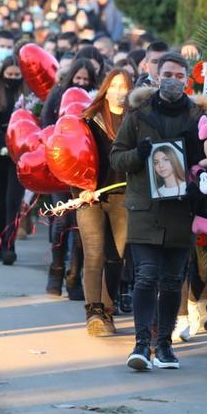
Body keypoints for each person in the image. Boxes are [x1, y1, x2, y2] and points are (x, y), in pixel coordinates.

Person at [110, 52, 206, 371]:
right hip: (145, 207)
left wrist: (198, 183)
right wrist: (138, 155)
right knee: (146, 276)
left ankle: (164, 345)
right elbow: (117, 158)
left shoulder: (196, 117)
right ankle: (141, 344)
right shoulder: (139, 114)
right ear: (156, 74)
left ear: (188, 80)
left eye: (180, 76)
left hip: (180, 211)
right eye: (168, 73)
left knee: (172, 279)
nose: (173, 80)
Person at [76, 68, 133, 336]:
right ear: (105, 89)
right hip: (90, 196)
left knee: (117, 256)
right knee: (94, 253)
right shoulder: (89, 118)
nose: (119, 91)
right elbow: (73, 155)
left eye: (125, 86)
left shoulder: (137, 119)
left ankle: (108, 312)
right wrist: (80, 189)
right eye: (115, 86)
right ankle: (94, 311)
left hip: (123, 195)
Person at [42, 58, 98, 298]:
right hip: (60, 165)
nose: (82, 83)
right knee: (62, 221)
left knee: (80, 225)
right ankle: (56, 269)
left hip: (86, 170)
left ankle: (74, 277)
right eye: (78, 79)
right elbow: (45, 127)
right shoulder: (57, 96)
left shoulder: (96, 100)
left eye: (86, 80)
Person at [0, 56, 27, 265]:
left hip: (19, 154)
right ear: (3, 74)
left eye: (16, 75)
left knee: (14, 201)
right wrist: (3, 140)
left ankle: (10, 244)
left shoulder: (27, 95)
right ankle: (0, 244)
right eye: (9, 75)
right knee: (0, 201)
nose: (13, 78)